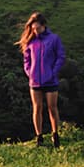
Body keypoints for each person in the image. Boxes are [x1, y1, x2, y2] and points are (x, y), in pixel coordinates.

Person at [18, 11, 65, 146]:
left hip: (50, 80)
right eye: (33, 28)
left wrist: (53, 72)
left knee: (52, 107)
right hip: (35, 80)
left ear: (43, 25)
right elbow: (26, 59)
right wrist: (29, 72)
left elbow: (61, 57)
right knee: (37, 108)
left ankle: (55, 135)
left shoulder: (54, 39)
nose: (35, 31)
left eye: (37, 28)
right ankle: (39, 137)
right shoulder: (31, 41)